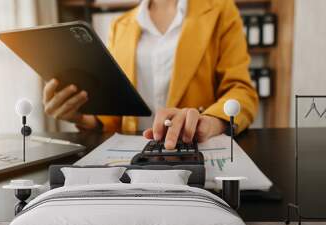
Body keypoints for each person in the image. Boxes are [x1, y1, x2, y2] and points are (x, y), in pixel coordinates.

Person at [43, 0, 258, 149]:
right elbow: (116, 114)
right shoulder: (120, 25)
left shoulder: (220, 11)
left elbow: (242, 91)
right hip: (133, 154)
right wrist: (80, 115)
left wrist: (211, 121)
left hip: (192, 149)